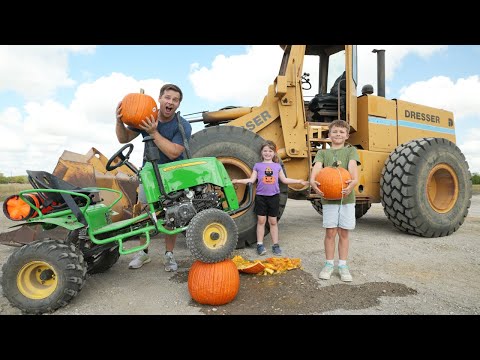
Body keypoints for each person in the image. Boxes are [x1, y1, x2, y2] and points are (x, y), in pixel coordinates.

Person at [115, 83, 192, 271]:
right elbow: (123, 138)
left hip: (174, 172)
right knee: (144, 213)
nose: (170, 102)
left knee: (172, 214)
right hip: (149, 172)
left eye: (175, 100)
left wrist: (153, 132)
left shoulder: (183, 126)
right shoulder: (145, 116)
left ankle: (169, 255)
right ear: (159, 99)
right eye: (167, 98)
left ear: (178, 104)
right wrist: (118, 121)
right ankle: (144, 253)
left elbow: (174, 153)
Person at [232, 140, 309, 256]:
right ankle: (259, 244)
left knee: (273, 222)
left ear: (274, 153)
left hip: (274, 197)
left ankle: (275, 245)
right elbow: (251, 180)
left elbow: (284, 180)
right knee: (261, 221)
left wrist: (298, 181)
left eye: (270, 151)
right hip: (261, 197)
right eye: (265, 151)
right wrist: (238, 180)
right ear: (262, 152)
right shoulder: (258, 166)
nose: (267, 153)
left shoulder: (277, 166)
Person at [309, 119, 360, 282]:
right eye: (335, 132)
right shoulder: (323, 153)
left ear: (346, 136)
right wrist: (312, 180)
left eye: (341, 132)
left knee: (344, 232)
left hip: (347, 197)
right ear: (329, 135)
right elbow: (317, 168)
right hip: (329, 198)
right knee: (330, 232)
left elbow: (352, 168)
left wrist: (354, 181)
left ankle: (343, 266)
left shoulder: (351, 151)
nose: (338, 134)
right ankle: (329, 264)